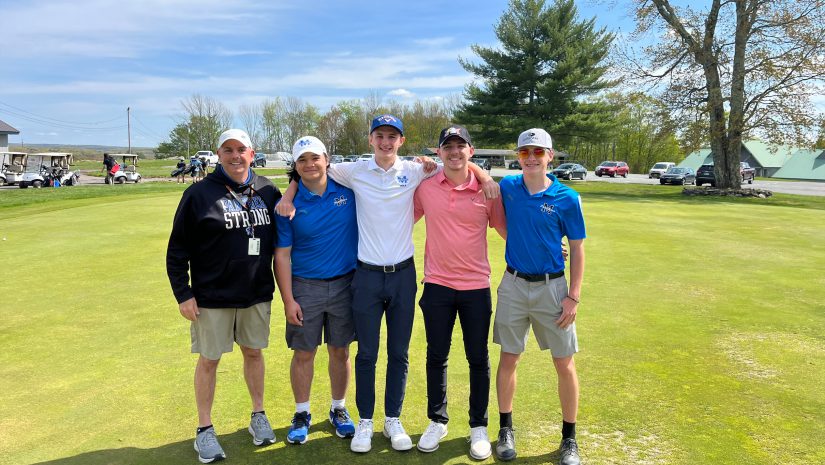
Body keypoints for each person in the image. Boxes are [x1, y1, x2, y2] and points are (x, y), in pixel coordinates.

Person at [276, 114, 499, 454]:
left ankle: (392, 419)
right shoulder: (353, 171)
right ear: (370, 140)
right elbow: (310, 170)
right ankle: (365, 420)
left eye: (392, 136)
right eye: (379, 135)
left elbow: (459, 165)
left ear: (401, 141)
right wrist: (290, 193)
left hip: (403, 276)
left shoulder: (415, 170)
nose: (385, 142)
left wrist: (483, 174)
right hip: (364, 276)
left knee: (399, 353)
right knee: (366, 353)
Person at [166, 129, 282, 464]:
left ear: (252, 152)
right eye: (228, 150)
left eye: (241, 150)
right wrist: (183, 294)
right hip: (211, 296)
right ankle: (204, 429)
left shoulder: (267, 189)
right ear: (218, 154)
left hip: (256, 293)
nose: (235, 156)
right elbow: (177, 250)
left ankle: (258, 415)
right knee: (209, 360)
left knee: (254, 354)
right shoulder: (198, 194)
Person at [412, 125, 506, 460]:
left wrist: (549, 248)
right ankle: (437, 420)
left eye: (460, 146)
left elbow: (507, 231)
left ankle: (478, 426)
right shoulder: (425, 187)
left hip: (476, 287)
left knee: (477, 359)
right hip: (437, 284)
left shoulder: (487, 190)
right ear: (439, 152)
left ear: (471, 150)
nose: (454, 151)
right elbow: (397, 216)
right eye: (447, 146)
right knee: (436, 356)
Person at [493, 128, 586, 465]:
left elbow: (576, 249)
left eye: (538, 152)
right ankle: (505, 429)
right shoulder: (508, 187)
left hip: (553, 289)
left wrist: (573, 296)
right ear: (518, 157)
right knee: (509, 357)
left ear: (550, 155)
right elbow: (474, 172)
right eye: (524, 152)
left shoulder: (567, 198)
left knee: (564, 362)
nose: (531, 158)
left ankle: (569, 439)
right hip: (514, 285)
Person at [274, 136, 358, 445]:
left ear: (326, 159)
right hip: (304, 287)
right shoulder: (287, 206)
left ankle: (338, 408)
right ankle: (302, 412)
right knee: (304, 352)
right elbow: (282, 254)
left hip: (345, 284)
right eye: (302, 160)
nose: (310, 164)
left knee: (340, 349)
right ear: (295, 167)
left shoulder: (349, 191)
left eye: (315, 158)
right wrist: (288, 300)